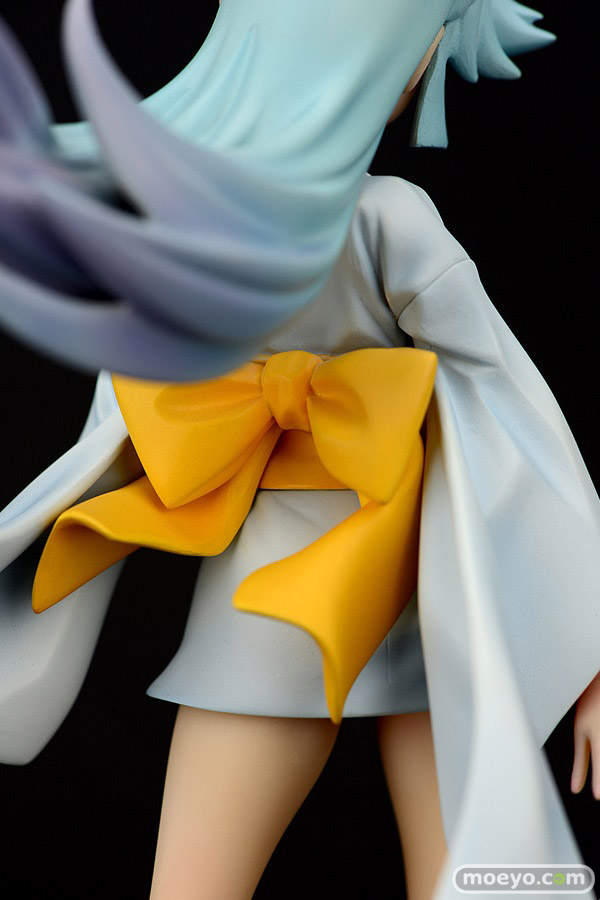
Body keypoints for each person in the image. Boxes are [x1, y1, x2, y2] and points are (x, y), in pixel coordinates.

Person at [0, 2, 598, 897]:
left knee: (474, 866)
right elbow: (512, 406)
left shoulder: (239, 227)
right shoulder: (384, 218)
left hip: (404, 589)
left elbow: (504, 397)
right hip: (327, 594)